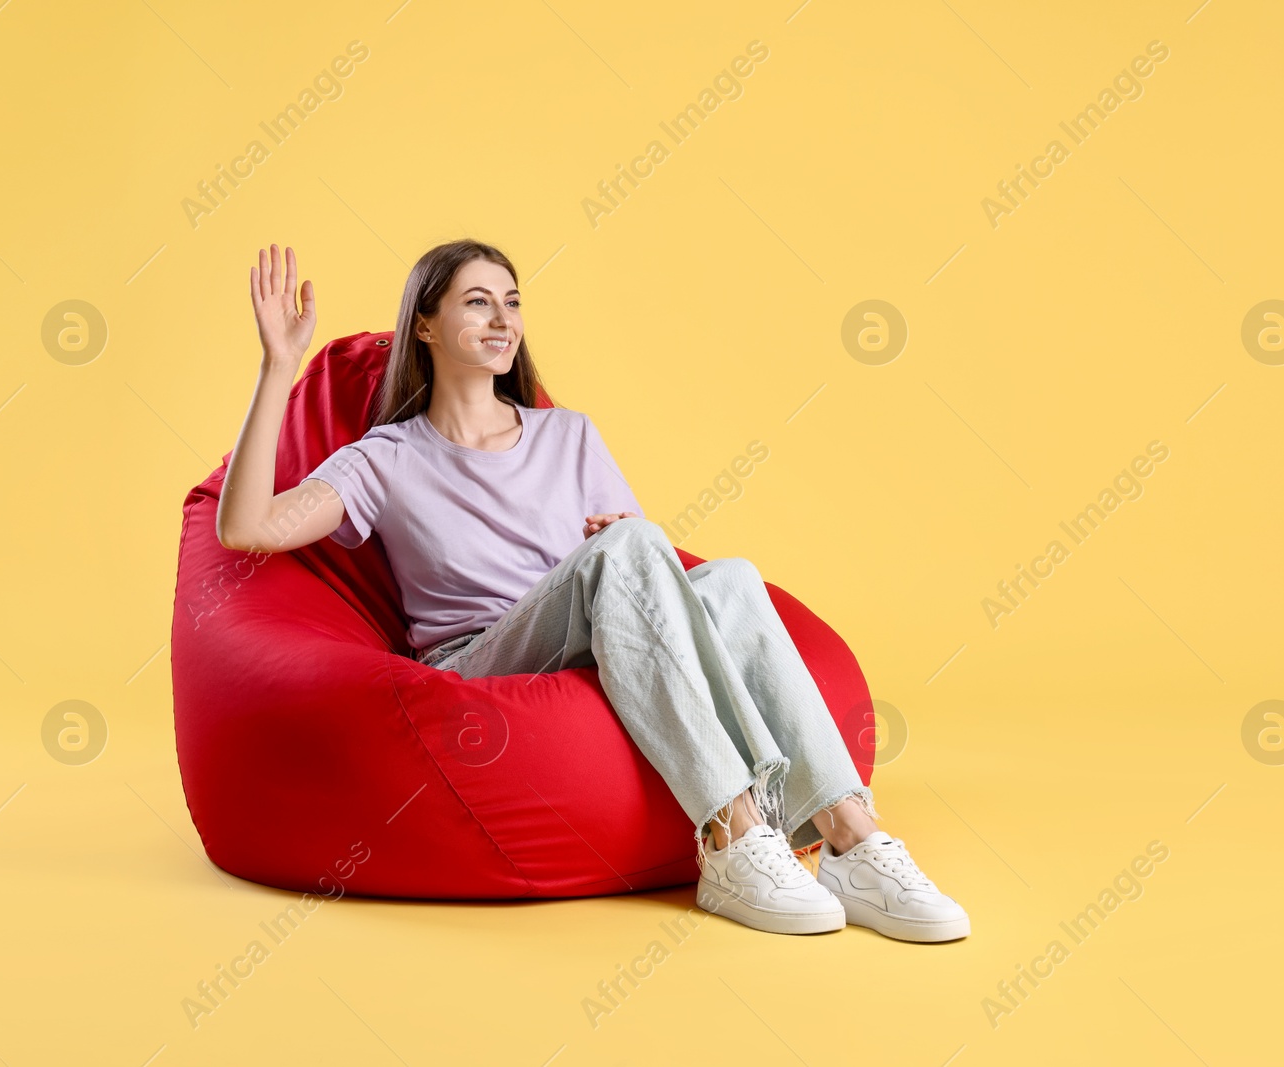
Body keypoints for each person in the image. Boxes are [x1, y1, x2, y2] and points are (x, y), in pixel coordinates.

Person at [215, 240, 970, 942]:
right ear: (425, 327)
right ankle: (731, 832)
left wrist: (620, 547)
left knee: (733, 580)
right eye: (477, 302)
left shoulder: (567, 433)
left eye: (512, 301)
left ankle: (848, 832)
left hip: (585, 638)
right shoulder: (384, 456)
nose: (502, 318)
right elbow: (246, 526)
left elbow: (646, 571)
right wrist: (277, 366)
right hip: (478, 658)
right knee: (635, 548)